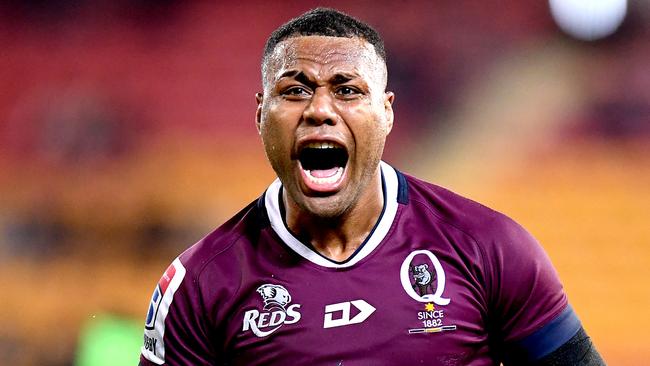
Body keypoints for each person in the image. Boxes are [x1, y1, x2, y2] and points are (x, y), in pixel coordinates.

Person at [139, 8, 604, 365]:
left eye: (347, 90)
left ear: (386, 113)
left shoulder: (492, 248)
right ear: (261, 113)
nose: (319, 109)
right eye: (295, 90)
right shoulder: (198, 286)